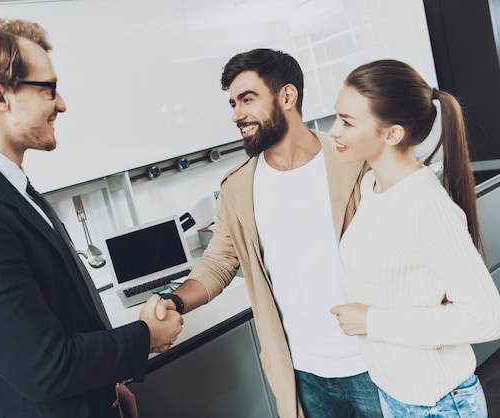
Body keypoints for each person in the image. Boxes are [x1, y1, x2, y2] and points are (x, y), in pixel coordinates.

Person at [0, 18, 183, 418]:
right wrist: (145, 337)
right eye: (48, 89)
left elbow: (58, 317)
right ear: (0, 97)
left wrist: (110, 387)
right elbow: (45, 366)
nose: (62, 104)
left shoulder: (7, 189)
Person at [155, 48, 382, 417]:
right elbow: (218, 261)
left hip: (373, 358)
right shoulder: (238, 188)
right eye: (232, 103)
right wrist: (175, 302)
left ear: (287, 97)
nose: (236, 115)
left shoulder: (353, 161)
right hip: (303, 370)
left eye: (247, 99)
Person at [328, 59, 500, 417]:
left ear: (392, 134)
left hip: (439, 404)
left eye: (347, 122)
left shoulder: (427, 207)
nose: (334, 131)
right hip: (394, 393)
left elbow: (487, 319)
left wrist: (372, 321)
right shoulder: (371, 185)